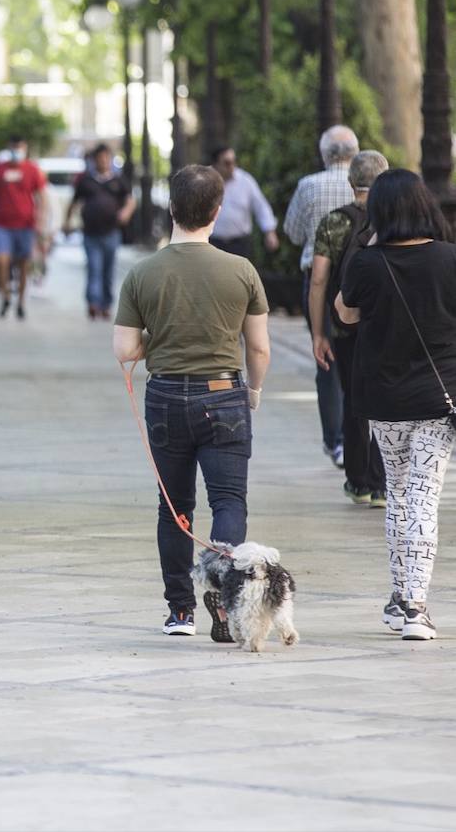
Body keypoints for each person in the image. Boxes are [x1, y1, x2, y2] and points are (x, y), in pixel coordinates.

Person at [113, 165, 271, 639]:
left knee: (174, 507)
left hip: (164, 397)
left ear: (171, 208)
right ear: (217, 212)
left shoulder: (143, 273)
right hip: (224, 396)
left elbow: (124, 350)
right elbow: (259, 347)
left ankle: (179, 611)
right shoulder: (241, 270)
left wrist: (158, 336)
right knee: (228, 501)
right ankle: (225, 593)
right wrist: (254, 391)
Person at [336, 169, 456, 642]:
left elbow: (345, 314)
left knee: (400, 493)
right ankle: (415, 606)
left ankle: (400, 596)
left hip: (384, 398)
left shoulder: (366, 263)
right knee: (423, 498)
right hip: (437, 397)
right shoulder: (450, 259)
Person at [310, 150, 389, 507]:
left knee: (353, 400)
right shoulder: (392, 220)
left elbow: (319, 280)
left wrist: (318, 332)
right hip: (384, 326)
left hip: (345, 327)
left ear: (349, 181)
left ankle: (358, 482)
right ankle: (383, 480)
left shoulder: (333, 222)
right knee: (385, 399)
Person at [285, 125, 359, 468]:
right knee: (361, 358)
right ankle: (363, 439)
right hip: (362, 279)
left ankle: (337, 442)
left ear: (325, 155)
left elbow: (294, 231)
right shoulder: (367, 187)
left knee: (326, 359)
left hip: (320, 279)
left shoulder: (309, 185)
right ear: (355, 154)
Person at [0, 136, 47, 319]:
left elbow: (41, 196)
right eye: (13, 147)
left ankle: (21, 301)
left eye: (20, 147)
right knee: (1, 260)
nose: (16, 151)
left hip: (26, 225)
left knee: (23, 264)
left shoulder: (32, 170)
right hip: (1, 225)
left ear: (25, 149)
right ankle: (6, 295)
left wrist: (41, 221)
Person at [64, 143, 134, 320]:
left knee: (108, 269)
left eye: (106, 158)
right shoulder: (85, 181)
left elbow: (130, 200)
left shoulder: (119, 181)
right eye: (99, 158)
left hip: (111, 231)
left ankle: (106, 303)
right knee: (94, 267)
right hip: (90, 232)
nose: (103, 161)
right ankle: (93, 302)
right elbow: (73, 202)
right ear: (94, 160)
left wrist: (125, 213)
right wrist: (66, 222)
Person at [208, 146, 280, 258]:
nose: (232, 166)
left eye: (234, 161)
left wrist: (270, 232)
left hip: (240, 244)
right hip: (213, 244)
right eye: (227, 162)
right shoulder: (205, 182)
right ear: (216, 164)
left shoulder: (245, 180)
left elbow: (260, 206)